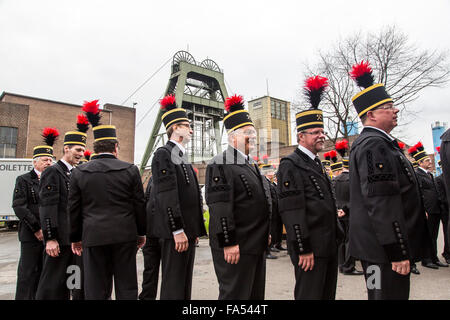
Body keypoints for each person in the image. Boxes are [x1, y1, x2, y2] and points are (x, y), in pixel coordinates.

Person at [348, 60, 430, 300]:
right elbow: (380, 202)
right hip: (382, 253)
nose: (395, 110)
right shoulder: (374, 145)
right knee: (384, 295)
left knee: (379, 294)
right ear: (371, 114)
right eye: (388, 106)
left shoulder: (378, 143)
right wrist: (397, 251)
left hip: (377, 251)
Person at [69, 100, 146, 299]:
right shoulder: (130, 170)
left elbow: (74, 208)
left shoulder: (79, 172)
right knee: (127, 285)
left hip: (93, 236)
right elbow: (139, 204)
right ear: (116, 148)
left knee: (96, 287)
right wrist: (141, 233)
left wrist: (75, 238)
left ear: (95, 148)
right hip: (124, 235)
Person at [277, 76, 339, 300]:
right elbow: (292, 210)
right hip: (310, 247)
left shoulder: (317, 163)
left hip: (328, 245)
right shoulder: (290, 165)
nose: (321, 136)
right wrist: (303, 247)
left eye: (322, 131)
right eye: (315, 132)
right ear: (301, 136)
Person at [205, 94, 271, 300]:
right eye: (247, 132)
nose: (253, 136)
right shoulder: (221, 162)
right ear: (233, 136)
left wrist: (265, 232)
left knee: (254, 296)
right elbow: (220, 207)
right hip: (237, 246)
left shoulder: (250, 163)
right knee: (235, 297)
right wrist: (229, 242)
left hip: (254, 244)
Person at [148, 95, 206, 300]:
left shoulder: (181, 156)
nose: (191, 129)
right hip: (175, 233)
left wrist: (193, 228)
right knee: (174, 284)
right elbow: (167, 195)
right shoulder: (163, 154)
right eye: (187, 125)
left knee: (183, 283)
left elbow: (191, 195)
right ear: (174, 128)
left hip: (186, 232)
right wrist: (178, 229)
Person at [36, 114, 89, 300]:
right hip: (59, 242)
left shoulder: (75, 173)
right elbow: (47, 207)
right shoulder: (53, 172)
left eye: (83, 150)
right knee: (52, 286)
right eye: (77, 149)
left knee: (73, 282)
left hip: (74, 242)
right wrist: (50, 238)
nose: (81, 154)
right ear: (66, 148)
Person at [13, 128, 57, 299]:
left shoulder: (53, 179)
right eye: (45, 160)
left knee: (46, 273)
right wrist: (37, 228)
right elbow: (19, 206)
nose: (49, 163)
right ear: (35, 162)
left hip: (50, 234)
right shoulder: (24, 180)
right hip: (31, 235)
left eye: (51, 160)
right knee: (28, 273)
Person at [409, 142, 448, 268]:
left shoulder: (429, 174)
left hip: (435, 209)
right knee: (428, 236)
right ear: (420, 163)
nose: (430, 162)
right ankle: (427, 259)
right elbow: (418, 193)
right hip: (428, 209)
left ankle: (434, 257)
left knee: (434, 235)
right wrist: (423, 209)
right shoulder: (417, 174)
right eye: (427, 160)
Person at [333, 139, 363, 276]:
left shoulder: (334, 180)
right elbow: (355, 198)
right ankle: (348, 266)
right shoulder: (353, 180)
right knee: (350, 241)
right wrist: (345, 209)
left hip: (338, 213)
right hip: (350, 213)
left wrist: (338, 209)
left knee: (340, 240)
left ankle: (340, 263)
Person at [139, 176, 162, 300]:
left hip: (163, 232)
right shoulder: (153, 178)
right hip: (151, 232)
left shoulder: (154, 178)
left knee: (153, 269)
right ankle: (146, 297)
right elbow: (146, 201)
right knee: (149, 270)